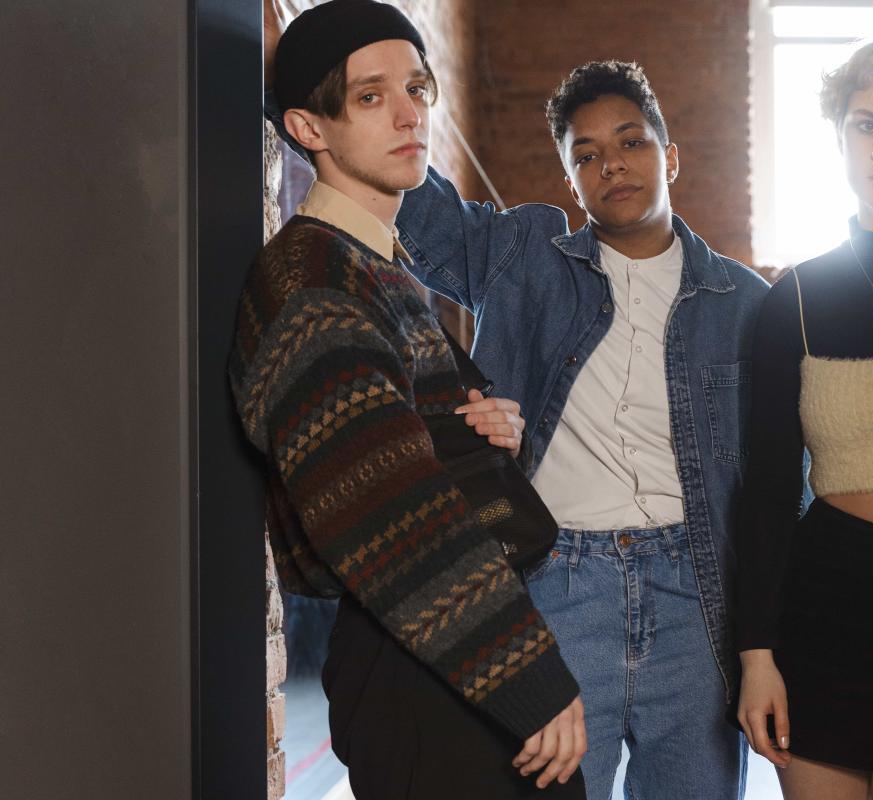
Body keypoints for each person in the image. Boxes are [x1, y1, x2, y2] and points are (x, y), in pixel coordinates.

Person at [380, 57, 772, 798]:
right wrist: (312, 80)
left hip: (696, 602)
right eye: (585, 155)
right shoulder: (524, 261)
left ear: (670, 156)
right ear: (570, 181)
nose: (611, 165)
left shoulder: (745, 304)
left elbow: (778, 490)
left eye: (631, 142)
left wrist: (771, 643)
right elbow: (413, 203)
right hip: (556, 589)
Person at [232, 2, 587, 796]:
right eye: (370, 96)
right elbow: (387, 510)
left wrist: (489, 434)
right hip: (421, 667)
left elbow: (406, 447)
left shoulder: (369, 264)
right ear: (308, 127)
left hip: (444, 652)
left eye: (417, 89)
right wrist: (529, 678)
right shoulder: (313, 280)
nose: (408, 114)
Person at [734, 36, 873, 800]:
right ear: (838, 135)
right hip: (824, 616)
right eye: (866, 124)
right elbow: (765, 492)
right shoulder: (793, 298)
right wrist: (757, 656)